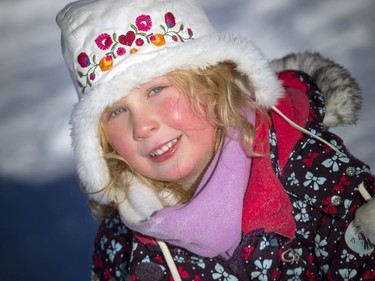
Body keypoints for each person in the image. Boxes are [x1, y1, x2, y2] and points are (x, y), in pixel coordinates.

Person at [56, 0, 375, 280]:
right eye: (116, 111)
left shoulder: (316, 175)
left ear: (215, 83)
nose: (142, 126)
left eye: (156, 90)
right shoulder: (124, 244)